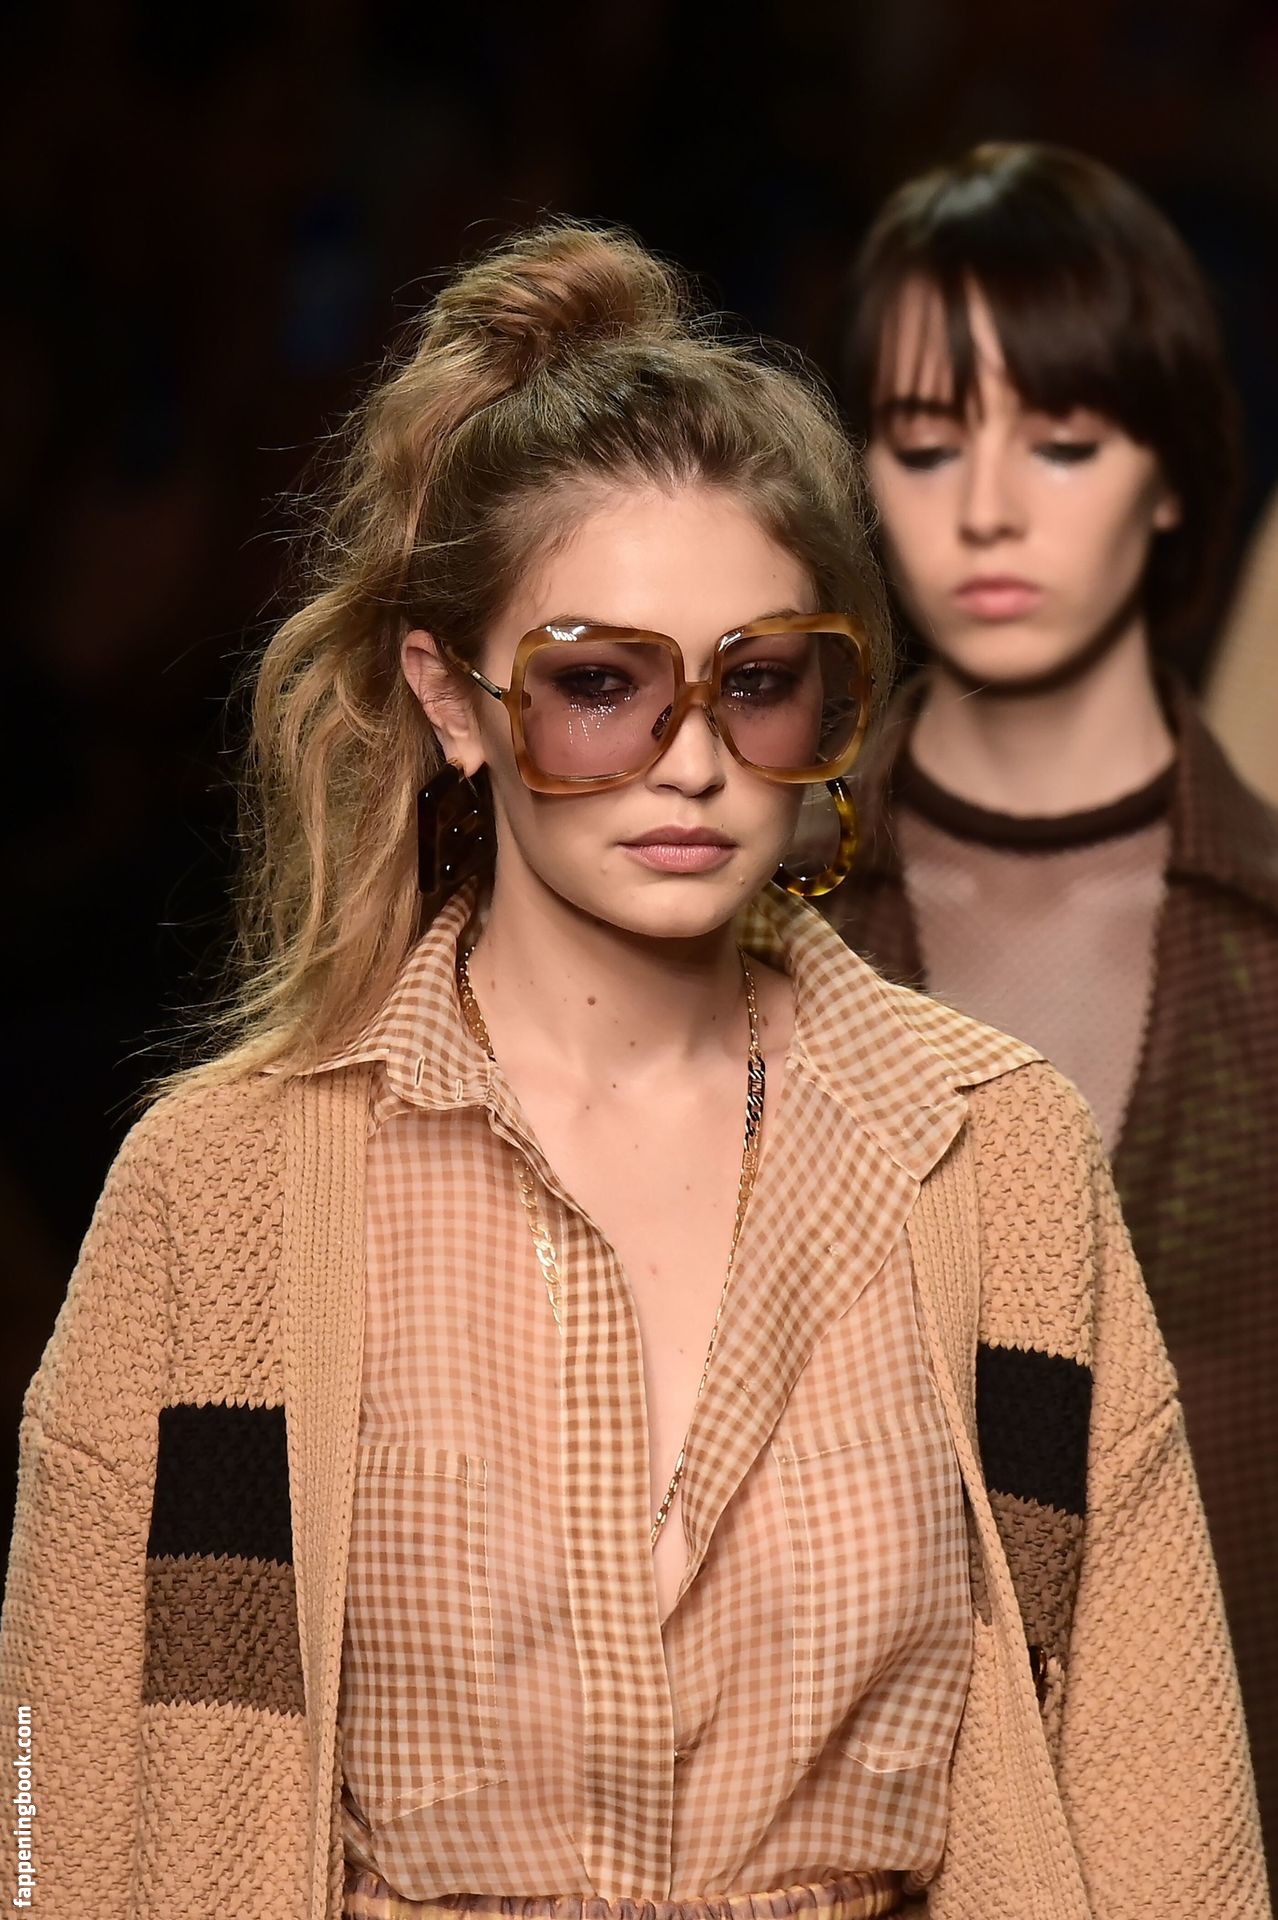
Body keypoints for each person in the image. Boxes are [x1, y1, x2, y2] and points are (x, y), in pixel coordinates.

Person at [0, 221, 1266, 1920]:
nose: (690, 761)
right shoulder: (222, 1195)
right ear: (453, 701)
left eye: (759, 683)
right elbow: (64, 1816)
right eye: (600, 685)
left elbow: (1159, 1808)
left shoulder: (991, 1158)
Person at [827, 138, 1278, 1860]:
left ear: (1169, 477)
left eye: (1064, 441)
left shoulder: (1264, 949)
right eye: (924, 442)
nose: (987, 508)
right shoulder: (743, 920)